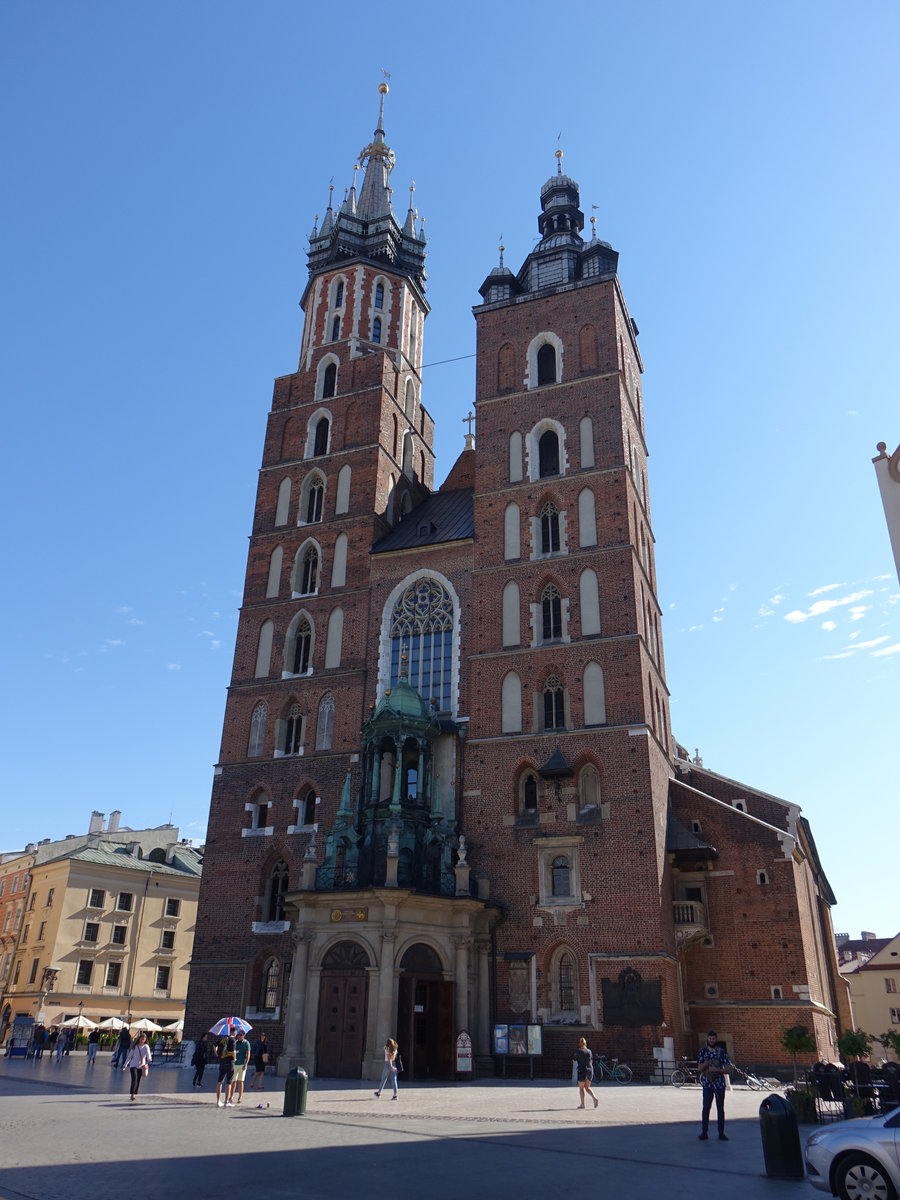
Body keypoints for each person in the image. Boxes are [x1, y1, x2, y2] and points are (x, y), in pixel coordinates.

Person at [697, 1030, 730, 1140]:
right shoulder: (703, 1051)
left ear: (716, 1039)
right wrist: (706, 1064)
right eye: (710, 1038)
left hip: (719, 1084)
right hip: (707, 1084)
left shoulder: (721, 1052)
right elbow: (699, 1068)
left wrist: (717, 1069)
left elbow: (727, 1069)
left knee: (720, 1108)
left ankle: (721, 1133)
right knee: (706, 1108)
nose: (712, 1040)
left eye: (713, 1038)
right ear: (707, 1039)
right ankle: (704, 1132)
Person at [123, 1032, 152, 1101]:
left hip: (141, 1066)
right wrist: (125, 1065)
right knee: (134, 1079)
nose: (142, 1040)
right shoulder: (135, 1046)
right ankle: (132, 1094)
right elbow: (130, 1056)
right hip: (133, 1065)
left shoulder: (146, 1046)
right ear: (139, 1039)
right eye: (141, 1038)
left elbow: (148, 1055)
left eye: (144, 1039)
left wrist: (149, 1059)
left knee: (138, 1080)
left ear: (145, 1040)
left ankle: (135, 1093)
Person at [573, 1037, 599, 1109]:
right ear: (585, 1043)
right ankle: (594, 1098)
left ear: (580, 1044)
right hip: (590, 1070)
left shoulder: (578, 1051)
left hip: (582, 1071)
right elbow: (591, 1060)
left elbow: (574, 1059)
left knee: (581, 1088)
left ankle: (582, 1104)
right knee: (587, 1087)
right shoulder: (589, 1051)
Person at [216, 1033, 236, 1108]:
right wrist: (234, 1059)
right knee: (229, 1082)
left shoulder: (222, 1039)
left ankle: (218, 1101)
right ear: (234, 1032)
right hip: (229, 1062)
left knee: (220, 1081)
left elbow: (214, 1046)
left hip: (222, 1061)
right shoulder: (232, 1039)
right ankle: (226, 1101)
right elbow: (233, 1051)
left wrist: (218, 1055)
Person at [231, 1029, 250, 1104]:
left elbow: (248, 1054)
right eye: (238, 1035)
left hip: (242, 1064)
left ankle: (240, 1097)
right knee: (233, 1081)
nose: (239, 1036)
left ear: (244, 1036)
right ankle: (231, 1096)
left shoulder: (246, 1043)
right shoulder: (235, 1042)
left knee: (240, 1081)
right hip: (235, 1064)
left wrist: (246, 1063)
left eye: (241, 1035)